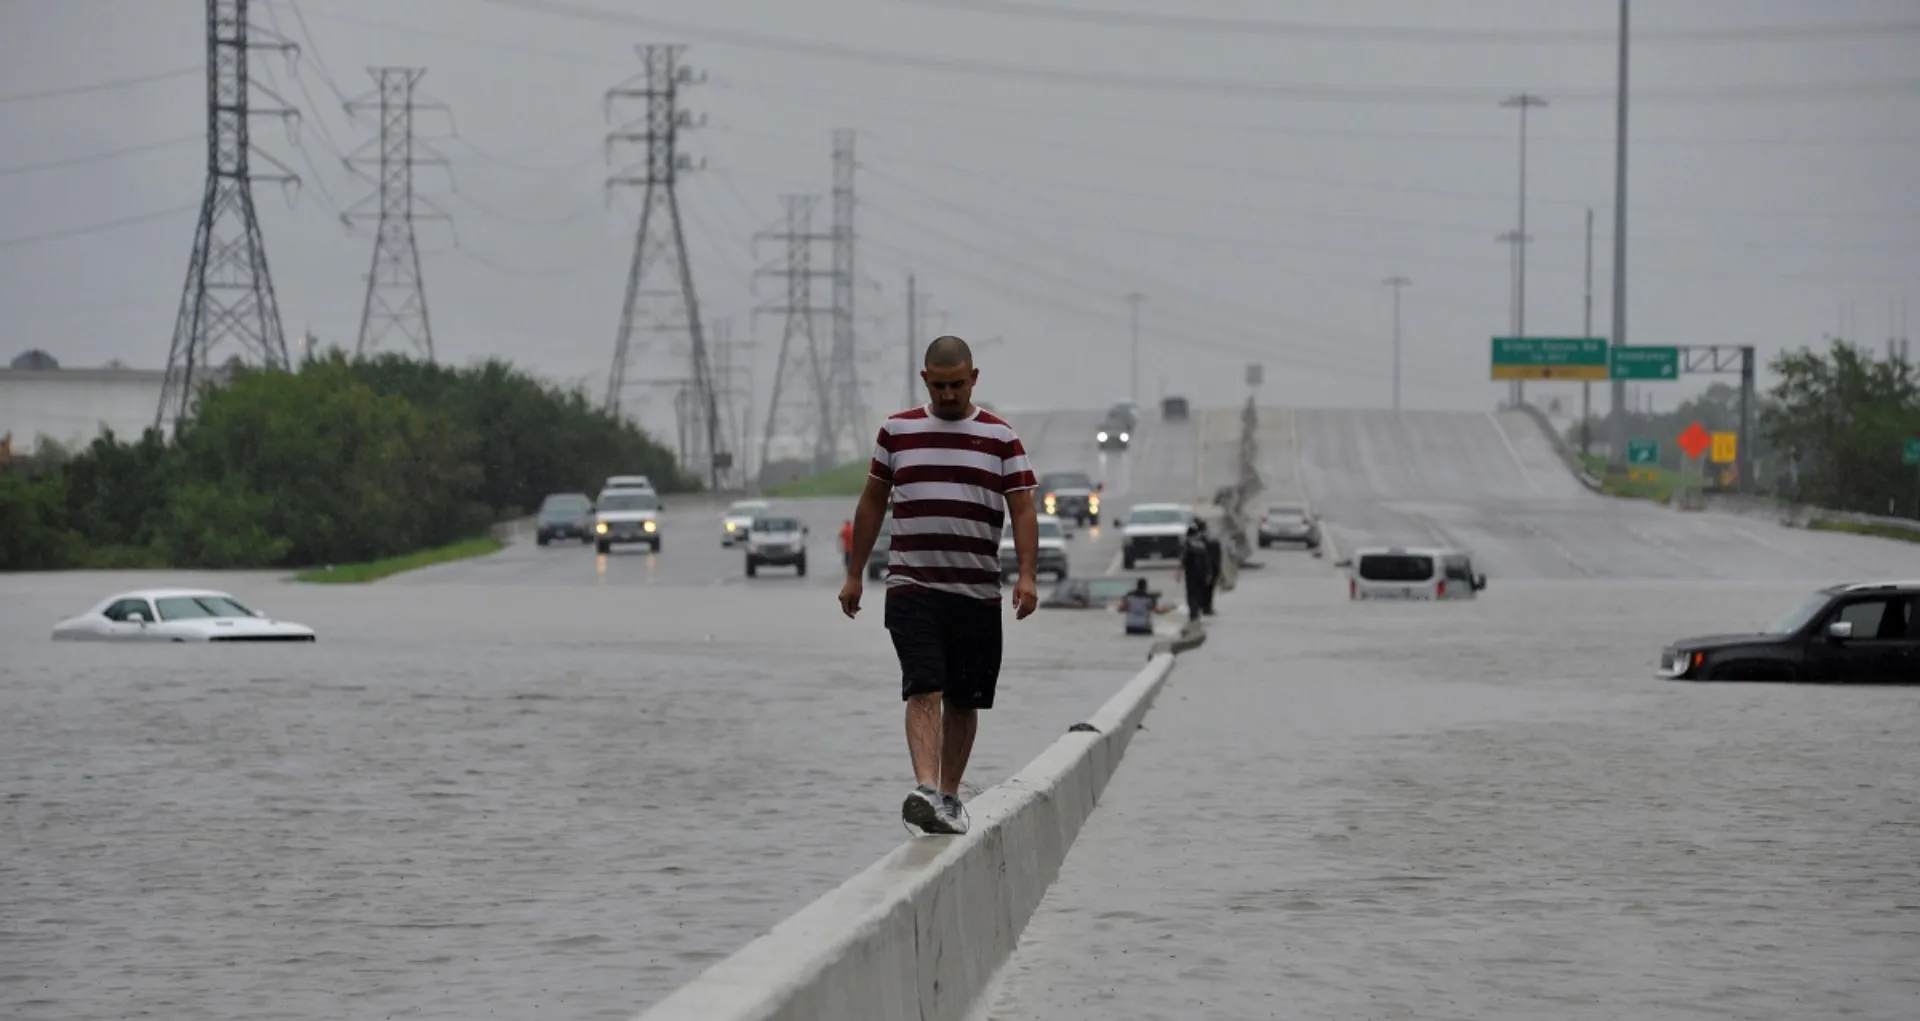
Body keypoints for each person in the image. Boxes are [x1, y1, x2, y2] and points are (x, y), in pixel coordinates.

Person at [839, 334, 1040, 837]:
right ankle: (926, 788)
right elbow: (872, 502)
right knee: (924, 685)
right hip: (913, 586)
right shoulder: (897, 432)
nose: (949, 395)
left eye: (957, 385)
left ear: (974, 379)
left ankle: (949, 795)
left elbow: (1022, 509)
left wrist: (1028, 575)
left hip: (976, 592)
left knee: (964, 700)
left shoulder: (1000, 438)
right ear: (925, 380)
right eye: (940, 386)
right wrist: (854, 574)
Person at [1174, 522, 1212, 623]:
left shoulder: (1187, 545)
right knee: (1199, 593)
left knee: (1191, 594)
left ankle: (1193, 613)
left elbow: (1183, 560)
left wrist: (1178, 574)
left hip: (1191, 575)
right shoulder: (1202, 545)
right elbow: (1207, 562)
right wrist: (1208, 574)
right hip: (1202, 574)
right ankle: (1196, 611)